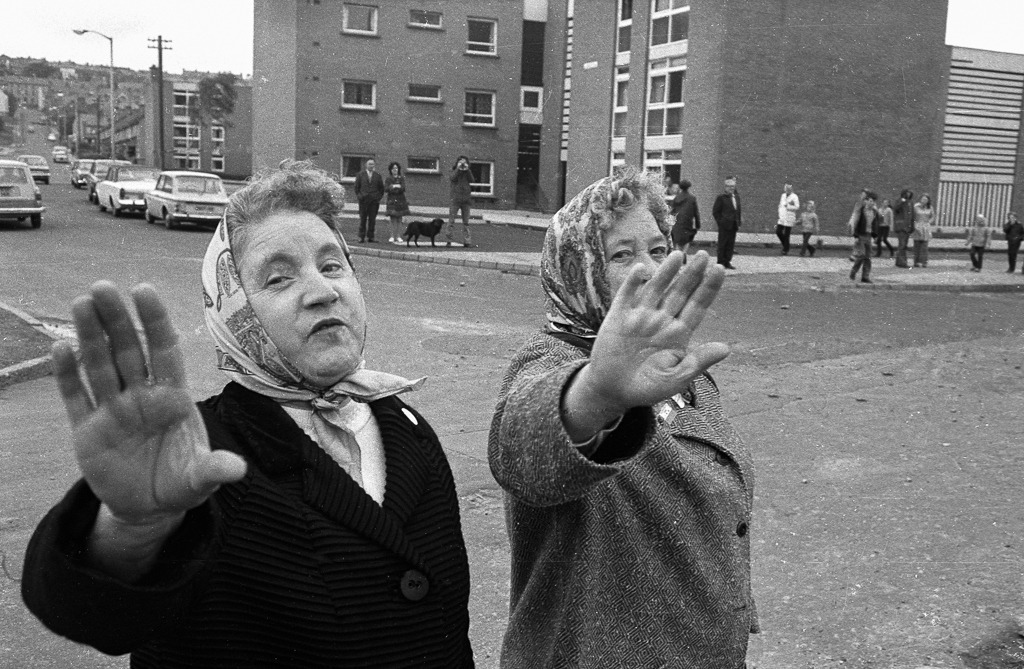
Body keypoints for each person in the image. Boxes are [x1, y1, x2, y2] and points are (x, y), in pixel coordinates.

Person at [21, 162, 475, 668]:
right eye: (279, 278)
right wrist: (130, 531)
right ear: (231, 311)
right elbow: (97, 617)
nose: (324, 291)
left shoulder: (409, 429)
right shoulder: (197, 455)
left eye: (332, 266)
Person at [489, 168, 759, 669]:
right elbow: (523, 453)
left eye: (658, 249)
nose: (652, 269)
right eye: (621, 255)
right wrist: (598, 392)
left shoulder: (678, 368)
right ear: (576, 269)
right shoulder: (552, 361)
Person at [848, 189, 880, 283]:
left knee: (868, 257)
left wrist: (875, 235)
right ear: (866, 201)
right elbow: (856, 223)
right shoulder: (861, 210)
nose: (872, 203)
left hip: (868, 236)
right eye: (870, 201)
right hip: (861, 235)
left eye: (873, 202)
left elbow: (875, 224)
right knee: (861, 255)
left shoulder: (874, 212)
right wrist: (856, 236)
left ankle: (865, 276)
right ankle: (854, 271)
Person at [712, 175, 742, 269]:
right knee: (722, 244)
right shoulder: (721, 198)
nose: (731, 188)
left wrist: (738, 222)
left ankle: (727, 261)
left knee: (730, 244)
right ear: (725, 187)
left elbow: (738, 210)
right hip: (724, 225)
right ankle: (720, 261)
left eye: (733, 186)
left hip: (733, 225)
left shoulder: (736, 197)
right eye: (729, 187)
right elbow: (715, 212)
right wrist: (720, 222)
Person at [354, 158, 385, 243]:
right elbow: (356, 187)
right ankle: (361, 237)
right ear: (366, 165)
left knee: (372, 220)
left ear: (374, 165)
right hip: (363, 201)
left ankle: (371, 237)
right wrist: (360, 196)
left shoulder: (378, 176)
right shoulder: (360, 175)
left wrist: (377, 198)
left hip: (374, 202)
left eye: (372, 164)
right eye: (369, 164)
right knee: (363, 219)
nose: (371, 166)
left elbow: (381, 189)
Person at [447, 155, 475, 248]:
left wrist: (467, 170)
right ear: (457, 163)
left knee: (466, 222)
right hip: (455, 200)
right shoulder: (453, 170)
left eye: (465, 162)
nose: (463, 164)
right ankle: (449, 240)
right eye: (461, 162)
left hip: (466, 200)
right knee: (451, 221)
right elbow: (453, 178)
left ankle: (467, 241)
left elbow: (472, 180)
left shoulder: (467, 172)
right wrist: (458, 169)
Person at [670, 178, 701, 258]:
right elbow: (696, 212)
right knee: (687, 239)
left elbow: (672, 211)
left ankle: (678, 255)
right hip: (687, 222)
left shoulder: (676, 198)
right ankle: (684, 253)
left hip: (677, 222)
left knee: (677, 241)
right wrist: (698, 224)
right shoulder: (692, 198)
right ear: (688, 187)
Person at [384, 161, 410, 244]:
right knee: (393, 219)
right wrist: (394, 186)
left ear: (398, 169)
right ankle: (392, 236)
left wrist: (396, 187)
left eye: (396, 168)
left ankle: (398, 236)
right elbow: (386, 189)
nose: (395, 170)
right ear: (390, 170)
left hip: (400, 200)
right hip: (391, 200)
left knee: (399, 218)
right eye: (393, 168)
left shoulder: (401, 178)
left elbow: (403, 188)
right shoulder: (388, 179)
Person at [891, 188, 915, 268]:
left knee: (903, 245)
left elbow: (912, 215)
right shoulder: (900, 201)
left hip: (908, 227)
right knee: (902, 245)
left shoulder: (910, 202)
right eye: (907, 193)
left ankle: (899, 262)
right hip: (901, 226)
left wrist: (912, 226)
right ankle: (902, 262)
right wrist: (902, 201)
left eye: (909, 193)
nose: (908, 194)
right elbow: (895, 209)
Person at [911, 194, 935, 268]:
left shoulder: (930, 207)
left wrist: (929, 222)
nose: (924, 201)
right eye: (923, 199)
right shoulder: (915, 206)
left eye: (926, 199)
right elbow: (912, 216)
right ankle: (916, 262)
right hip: (917, 226)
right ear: (920, 199)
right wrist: (914, 225)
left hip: (926, 227)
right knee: (917, 245)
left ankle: (924, 262)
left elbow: (933, 216)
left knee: (925, 245)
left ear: (928, 201)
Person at [776, 182, 799, 255]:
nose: (787, 189)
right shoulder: (783, 195)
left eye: (789, 188)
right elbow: (781, 205)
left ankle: (785, 249)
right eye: (786, 188)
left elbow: (797, 207)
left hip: (790, 217)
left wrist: (788, 206)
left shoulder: (794, 196)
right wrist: (780, 212)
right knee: (778, 231)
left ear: (791, 189)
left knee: (787, 234)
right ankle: (786, 246)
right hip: (782, 217)